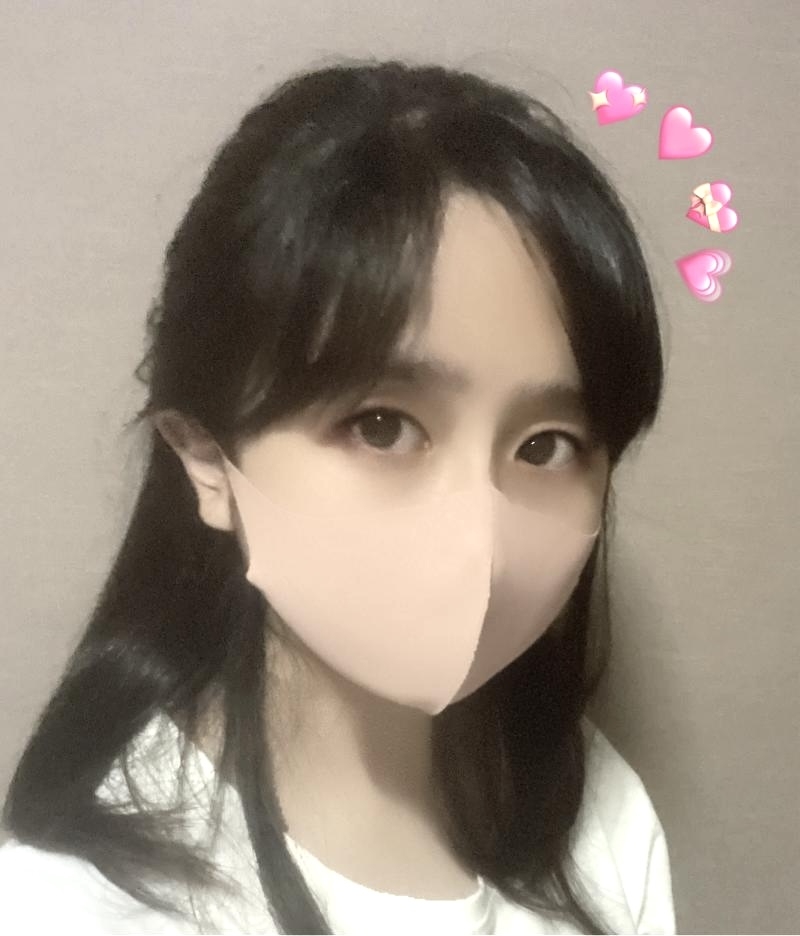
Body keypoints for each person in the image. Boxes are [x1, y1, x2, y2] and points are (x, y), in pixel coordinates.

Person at [0, 57, 675, 934]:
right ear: (205, 459)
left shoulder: (596, 816)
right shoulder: (72, 907)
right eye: (383, 426)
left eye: (545, 446)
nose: (480, 537)